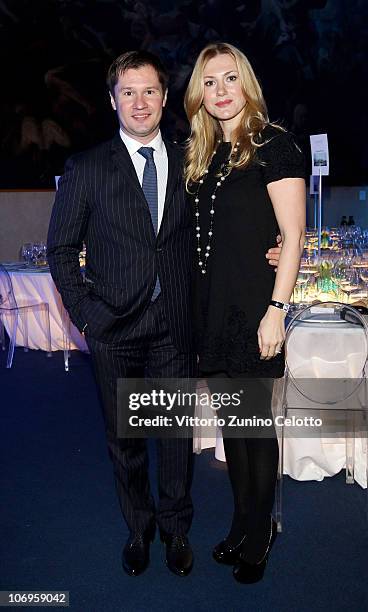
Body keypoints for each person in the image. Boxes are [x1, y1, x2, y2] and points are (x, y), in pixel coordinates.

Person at [47, 49, 282, 579]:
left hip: (176, 325)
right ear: (112, 102)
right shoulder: (85, 169)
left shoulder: (191, 160)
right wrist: (86, 316)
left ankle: (177, 529)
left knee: (176, 436)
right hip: (114, 328)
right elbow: (61, 251)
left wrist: (276, 245)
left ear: (164, 97)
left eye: (149, 90)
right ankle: (139, 528)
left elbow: (230, 220)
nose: (140, 101)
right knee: (126, 439)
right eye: (127, 92)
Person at [184, 42, 305, 583]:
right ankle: (240, 521)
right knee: (234, 428)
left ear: (246, 83)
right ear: (198, 93)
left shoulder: (274, 146)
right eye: (209, 82)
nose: (220, 91)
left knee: (256, 429)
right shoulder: (203, 152)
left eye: (229, 79)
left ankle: (261, 531)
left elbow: (296, 234)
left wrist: (276, 309)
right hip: (214, 309)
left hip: (256, 306)